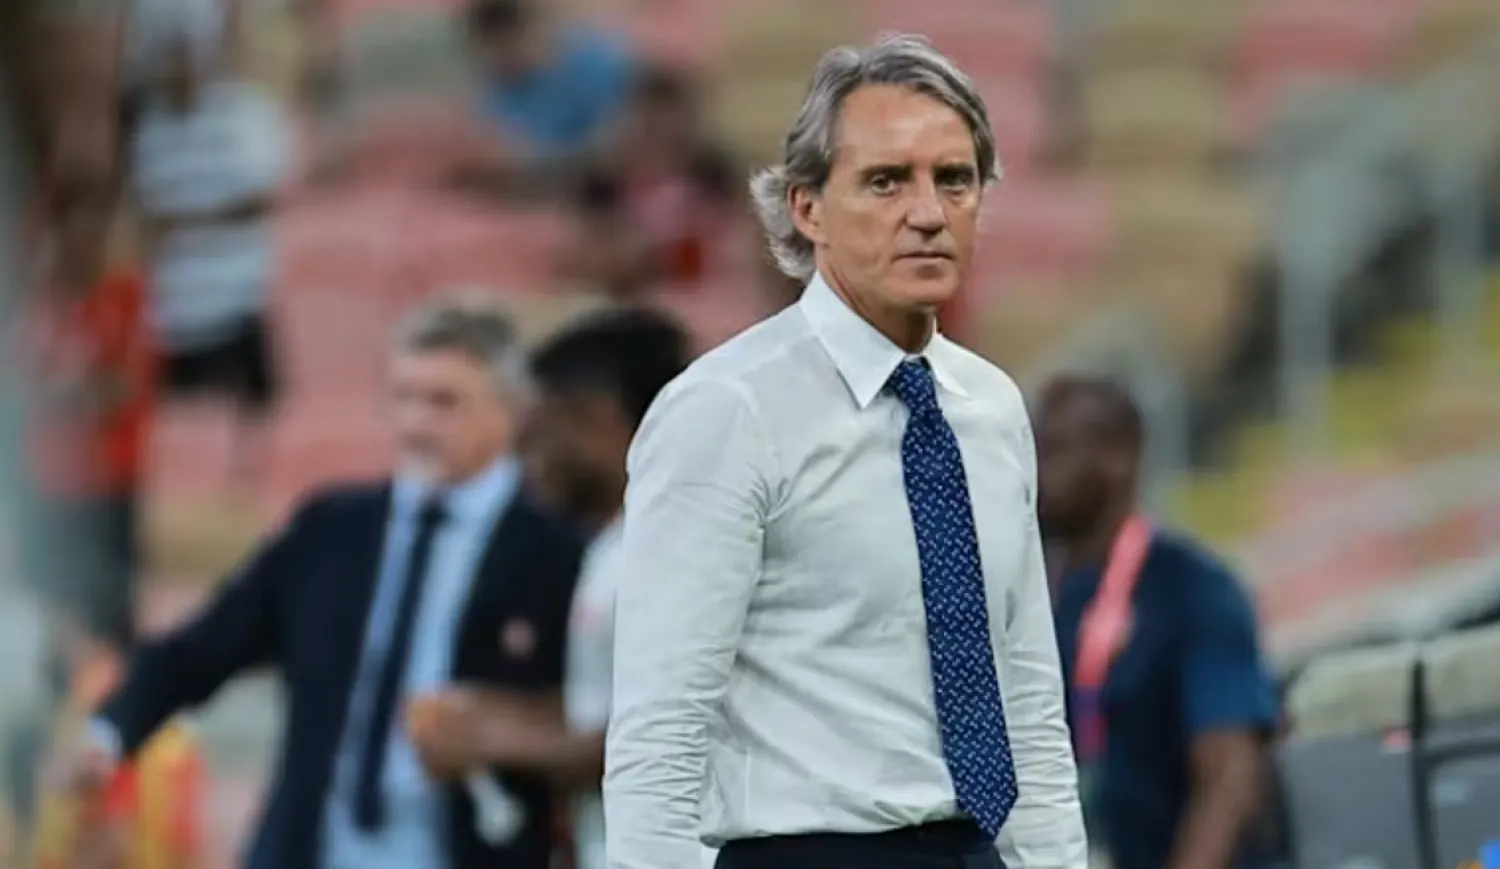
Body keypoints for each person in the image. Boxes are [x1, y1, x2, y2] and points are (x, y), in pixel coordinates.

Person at [603, 33, 1087, 869]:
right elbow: (661, 727)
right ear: (807, 208)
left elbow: (1028, 696)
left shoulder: (993, 407)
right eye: (886, 181)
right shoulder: (726, 410)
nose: (929, 212)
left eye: (955, 179)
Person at [53, 296, 585, 869]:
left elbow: (587, 711)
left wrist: (497, 732)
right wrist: (108, 734)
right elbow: (203, 646)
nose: (417, 423)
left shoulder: (556, 552)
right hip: (314, 848)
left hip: (471, 847)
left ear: (510, 412)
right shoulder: (331, 530)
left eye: (445, 402)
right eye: (404, 398)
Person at [1036, 376, 1277, 869]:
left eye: (1053, 450)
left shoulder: (1193, 588)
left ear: (1121, 455)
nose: (1033, 471)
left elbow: (1229, 782)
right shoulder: (1033, 596)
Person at [494, 307, 691, 869]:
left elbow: (662, 738)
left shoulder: (671, 544)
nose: (526, 461)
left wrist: (491, 743)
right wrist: (504, 716)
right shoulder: (613, 544)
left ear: (597, 422)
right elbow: (606, 706)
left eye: (540, 433)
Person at [126, 7, 290, 488]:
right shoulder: (136, 123)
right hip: (165, 314)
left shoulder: (247, 113)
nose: (177, 70)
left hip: (237, 301)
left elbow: (259, 201)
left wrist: (179, 223)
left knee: (252, 439)